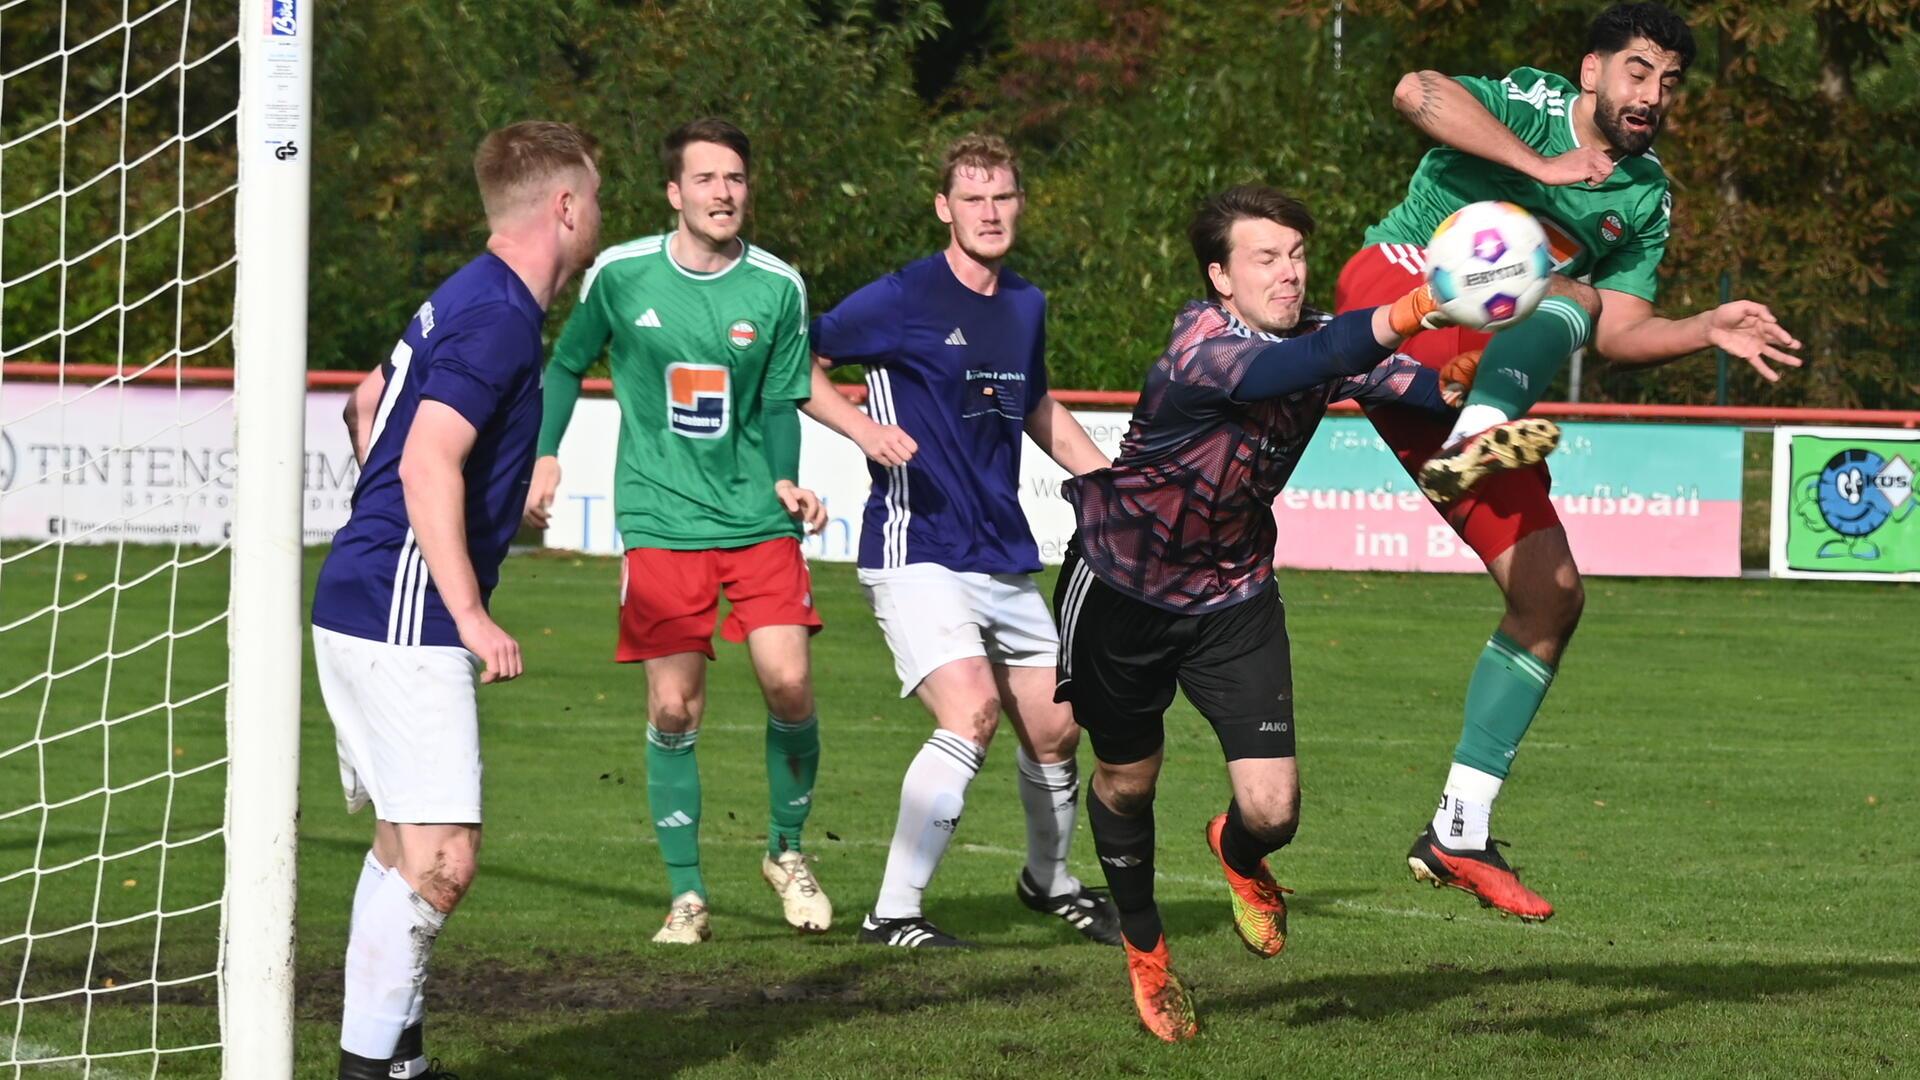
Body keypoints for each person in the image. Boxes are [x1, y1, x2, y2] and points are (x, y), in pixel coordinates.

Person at [1332, 1, 1802, 921]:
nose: (1653, 94)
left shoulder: (1645, 194)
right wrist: (1540, 165)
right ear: (1592, 72)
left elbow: (1619, 330)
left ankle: (1457, 829)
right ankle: (1481, 425)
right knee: (1554, 282)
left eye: (1670, 82)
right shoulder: (1533, 102)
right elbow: (1412, 89)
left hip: (1474, 367)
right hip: (1399, 290)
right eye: (1637, 71)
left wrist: (1706, 326)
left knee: (1551, 597)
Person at [1058, 185, 1457, 1041]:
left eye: (1297, 255)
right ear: (1221, 278)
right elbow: (1289, 370)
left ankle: (1237, 855)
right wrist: (1419, 304)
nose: (1288, 272)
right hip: (1121, 590)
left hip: (1234, 595)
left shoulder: (1317, 335)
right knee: (1129, 780)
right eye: (1264, 258)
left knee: (1274, 811)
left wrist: (1475, 374)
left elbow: (1418, 388)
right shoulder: (1201, 343)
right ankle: (1148, 954)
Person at [313, 120, 601, 1080]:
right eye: (594, 199)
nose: (597, 216)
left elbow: (364, 406)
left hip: (365, 595)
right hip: (407, 614)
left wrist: (447, 519)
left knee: (404, 849)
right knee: (444, 860)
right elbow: (429, 454)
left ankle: (398, 1061)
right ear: (564, 207)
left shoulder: (462, 294)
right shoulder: (504, 314)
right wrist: (469, 608)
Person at [801, 134, 1119, 949]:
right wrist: (862, 429)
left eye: (1003, 196)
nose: (990, 212)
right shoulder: (901, 297)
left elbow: (1036, 404)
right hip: (917, 546)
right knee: (972, 712)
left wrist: (1104, 485)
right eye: (972, 198)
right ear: (944, 208)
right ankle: (892, 914)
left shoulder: (1025, 304)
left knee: (1057, 728)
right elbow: (795, 358)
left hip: (1001, 550)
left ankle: (1048, 882)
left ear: (1019, 204)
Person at [526, 118, 832, 945]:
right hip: (661, 519)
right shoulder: (621, 275)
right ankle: (688, 894)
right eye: (705, 179)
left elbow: (777, 400)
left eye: (734, 179)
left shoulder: (777, 286)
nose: (723, 193)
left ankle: (786, 851)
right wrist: (546, 455)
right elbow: (563, 363)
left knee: (789, 683)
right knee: (671, 705)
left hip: (756, 518)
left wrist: (787, 479)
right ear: (674, 193)